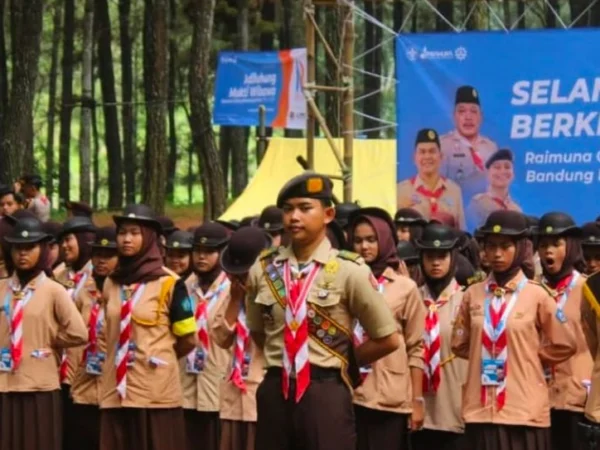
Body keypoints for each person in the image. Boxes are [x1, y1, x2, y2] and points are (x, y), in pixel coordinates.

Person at [245, 173, 400, 450]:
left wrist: (346, 359)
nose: (294, 217)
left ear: (328, 214)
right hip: (275, 389)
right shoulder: (263, 269)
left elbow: (388, 338)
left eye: (305, 208)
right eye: (288, 209)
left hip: (325, 391)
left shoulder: (349, 270)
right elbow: (259, 334)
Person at [451, 210, 577, 450]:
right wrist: (489, 353)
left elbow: (565, 343)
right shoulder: (472, 294)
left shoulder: (537, 294)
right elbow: (460, 344)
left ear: (520, 248)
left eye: (506, 246)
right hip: (479, 409)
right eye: (491, 246)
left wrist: (527, 358)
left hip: (523, 410)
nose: (497, 254)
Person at [99, 204, 197, 450]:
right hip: (115, 390)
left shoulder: (170, 284)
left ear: (150, 237)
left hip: (155, 393)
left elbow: (188, 339)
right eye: (122, 233)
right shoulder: (112, 282)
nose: (126, 239)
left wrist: (158, 356)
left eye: (134, 232)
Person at [0, 216, 88, 450]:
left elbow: (79, 333)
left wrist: (48, 340)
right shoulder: (2, 287)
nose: (22, 254)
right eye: (18, 248)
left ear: (42, 249)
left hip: (40, 383)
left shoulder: (53, 290)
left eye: (30, 248)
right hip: (4, 382)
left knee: (38, 440)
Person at [348, 207, 426, 450]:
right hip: (350, 392)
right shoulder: (345, 279)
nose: (364, 247)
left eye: (371, 240)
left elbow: (416, 347)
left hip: (389, 395)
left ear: (384, 239)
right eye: (358, 240)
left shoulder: (405, 287)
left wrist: (416, 400)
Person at [211, 227, 272, 450]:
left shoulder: (275, 294)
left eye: (245, 273)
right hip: (235, 394)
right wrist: (235, 302)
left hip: (262, 389)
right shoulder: (233, 293)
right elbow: (220, 337)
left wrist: (254, 302)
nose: (242, 278)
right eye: (237, 274)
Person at [536, 212, 591, 450]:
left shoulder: (589, 290)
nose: (548, 251)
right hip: (535, 402)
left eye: (556, 244)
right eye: (543, 245)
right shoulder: (529, 291)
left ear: (571, 247)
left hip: (578, 400)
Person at [411, 223, 468, 450]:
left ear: (453, 258)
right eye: (429, 256)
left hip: (454, 406)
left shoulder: (467, 298)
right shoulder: (412, 298)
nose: (435, 263)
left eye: (442, 256)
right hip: (417, 409)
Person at [182, 222, 232, 450]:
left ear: (222, 252)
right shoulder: (184, 287)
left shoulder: (233, 288)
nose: (201, 257)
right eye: (197, 251)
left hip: (218, 382)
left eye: (209, 251)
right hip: (186, 385)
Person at [69, 227, 119, 450]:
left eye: (109, 255)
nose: (101, 260)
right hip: (84, 383)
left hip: (116, 385)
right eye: (97, 254)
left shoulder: (125, 290)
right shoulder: (83, 291)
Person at [397, 129, 466, 229]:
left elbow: (461, 231)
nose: (427, 156)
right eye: (422, 152)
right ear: (414, 158)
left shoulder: (454, 190)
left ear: (441, 157)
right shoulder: (401, 190)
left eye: (432, 151)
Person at [440, 85, 498, 201]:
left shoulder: (491, 148)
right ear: (454, 116)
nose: (468, 117)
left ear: (480, 117)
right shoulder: (442, 145)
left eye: (473, 111)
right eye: (462, 111)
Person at [467, 149, 522, 229]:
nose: (502, 171)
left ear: (513, 174)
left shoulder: (516, 210)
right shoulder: (477, 204)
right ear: (487, 173)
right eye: (497, 167)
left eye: (507, 167)